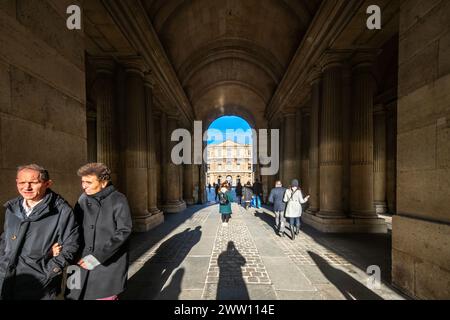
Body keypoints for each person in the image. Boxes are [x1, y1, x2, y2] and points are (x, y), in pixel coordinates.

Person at [0, 164, 79, 300]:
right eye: (22, 182)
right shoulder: (12, 208)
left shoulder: (62, 211)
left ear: (47, 183)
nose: (27, 187)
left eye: (33, 182)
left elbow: (71, 246)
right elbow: (5, 239)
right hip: (5, 280)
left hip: (39, 285)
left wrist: (50, 272)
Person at [66, 163, 132, 300]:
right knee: (73, 294)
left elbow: (124, 231)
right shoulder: (82, 199)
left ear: (104, 182)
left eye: (89, 182)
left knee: (103, 296)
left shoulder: (119, 199)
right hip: (79, 260)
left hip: (107, 262)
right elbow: (73, 227)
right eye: (83, 182)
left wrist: (97, 257)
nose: (84, 186)